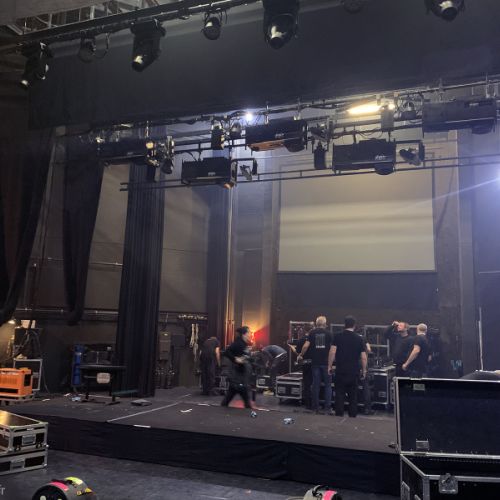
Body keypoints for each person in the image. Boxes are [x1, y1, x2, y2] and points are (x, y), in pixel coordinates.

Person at [330, 316, 367, 418]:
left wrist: (329, 366)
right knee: (353, 396)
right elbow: (363, 357)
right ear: (354, 325)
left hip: (340, 371)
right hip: (354, 372)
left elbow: (332, 352)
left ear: (344, 324)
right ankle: (352, 416)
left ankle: (339, 415)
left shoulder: (337, 336)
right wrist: (364, 370)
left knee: (339, 395)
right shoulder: (359, 338)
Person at [298, 316, 333, 414]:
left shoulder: (312, 333)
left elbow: (306, 346)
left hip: (315, 363)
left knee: (315, 385)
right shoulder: (329, 333)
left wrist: (301, 355)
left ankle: (315, 407)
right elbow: (332, 349)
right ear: (325, 324)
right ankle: (327, 408)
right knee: (328, 386)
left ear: (316, 323)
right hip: (326, 363)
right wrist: (332, 362)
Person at [221, 326, 253, 409]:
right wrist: (235, 359)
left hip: (241, 376)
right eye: (249, 333)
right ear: (244, 334)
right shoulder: (238, 343)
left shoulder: (245, 344)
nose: (250, 334)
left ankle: (222, 407)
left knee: (230, 395)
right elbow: (226, 352)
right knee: (243, 397)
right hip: (237, 376)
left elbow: (245, 357)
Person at [289, 334, 312, 409]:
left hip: (306, 364)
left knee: (307, 384)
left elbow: (298, 353)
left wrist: (292, 347)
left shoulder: (301, 340)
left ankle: (308, 404)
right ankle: (315, 403)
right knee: (316, 384)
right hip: (315, 364)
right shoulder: (315, 337)